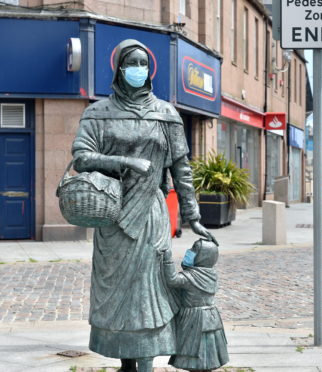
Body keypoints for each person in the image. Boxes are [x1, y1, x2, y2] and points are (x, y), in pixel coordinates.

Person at [71, 39, 217, 372]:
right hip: (114, 215)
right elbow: (81, 158)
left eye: (143, 64)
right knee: (119, 289)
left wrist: (193, 215)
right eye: (131, 64)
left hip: (151, 213)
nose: (138, 70)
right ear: (118, 68)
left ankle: (147, 362)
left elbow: (181, 169)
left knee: (151, 290)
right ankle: (126, 362)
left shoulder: (166, 113)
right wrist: (124, 162)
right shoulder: (98, 113)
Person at [163, 239, 229, 372]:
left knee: (195, 350)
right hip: (211, 317)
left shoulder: (190, 277)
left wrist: (167, 261)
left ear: (203, 256)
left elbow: (172, 280)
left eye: (194, 249)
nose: (189, 251)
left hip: (194, 318)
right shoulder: (211, 274)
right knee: (209, 352)